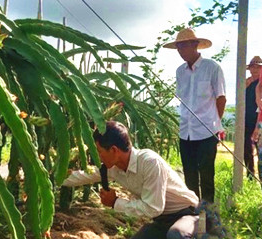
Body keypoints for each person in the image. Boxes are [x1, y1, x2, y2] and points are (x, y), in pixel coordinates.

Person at [63, 121, 199, 239]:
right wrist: (51, 177)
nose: (97, 157)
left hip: (191, 216)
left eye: (99, 151)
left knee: (177, 235)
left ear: (114, 150)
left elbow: (153, 208)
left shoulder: (150, 162)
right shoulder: (113, 167)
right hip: (163, 221)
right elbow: (83, 176)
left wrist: (115, 202)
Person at [163, 28, 226, 203]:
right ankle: (193, 212)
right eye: (178, 47)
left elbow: (221, 98)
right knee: (189, 175)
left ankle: (207, 216)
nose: (180, 51)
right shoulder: (180, 71)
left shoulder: (212, 68)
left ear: (195, 45)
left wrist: (214, 123)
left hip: (207, 132)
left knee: (206, 176)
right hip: (186, 132)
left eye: (183, 46)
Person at [244, 56, 262, 179]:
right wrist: (244, 86)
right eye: (252, 67)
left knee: (259, 149)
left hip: (259, 120)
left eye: (258, 67)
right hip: (246, 119)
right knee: (246, 149)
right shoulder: (246, 83)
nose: (254, 69)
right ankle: (250, 176)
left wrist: (258, 124)